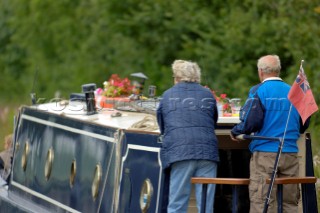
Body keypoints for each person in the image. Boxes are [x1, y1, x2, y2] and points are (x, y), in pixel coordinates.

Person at [230, 55, 310, 213]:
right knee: (290, 203)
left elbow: (251, 123)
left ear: (260, 72)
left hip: (265, 155)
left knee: (263, 202)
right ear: (279, 70)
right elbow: (304, 124)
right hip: (290, 154)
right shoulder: (294, 91)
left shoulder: (258, 91)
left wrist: (236, 131)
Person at [157, 59, 219, 213]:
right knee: (206, 204)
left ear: (177, 77)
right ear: (197, 76)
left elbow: (162, 125)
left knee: (177, 202)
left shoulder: (167, 95)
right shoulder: (208, 94)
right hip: (207, 153)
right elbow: (214, 120)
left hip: (180, 152)